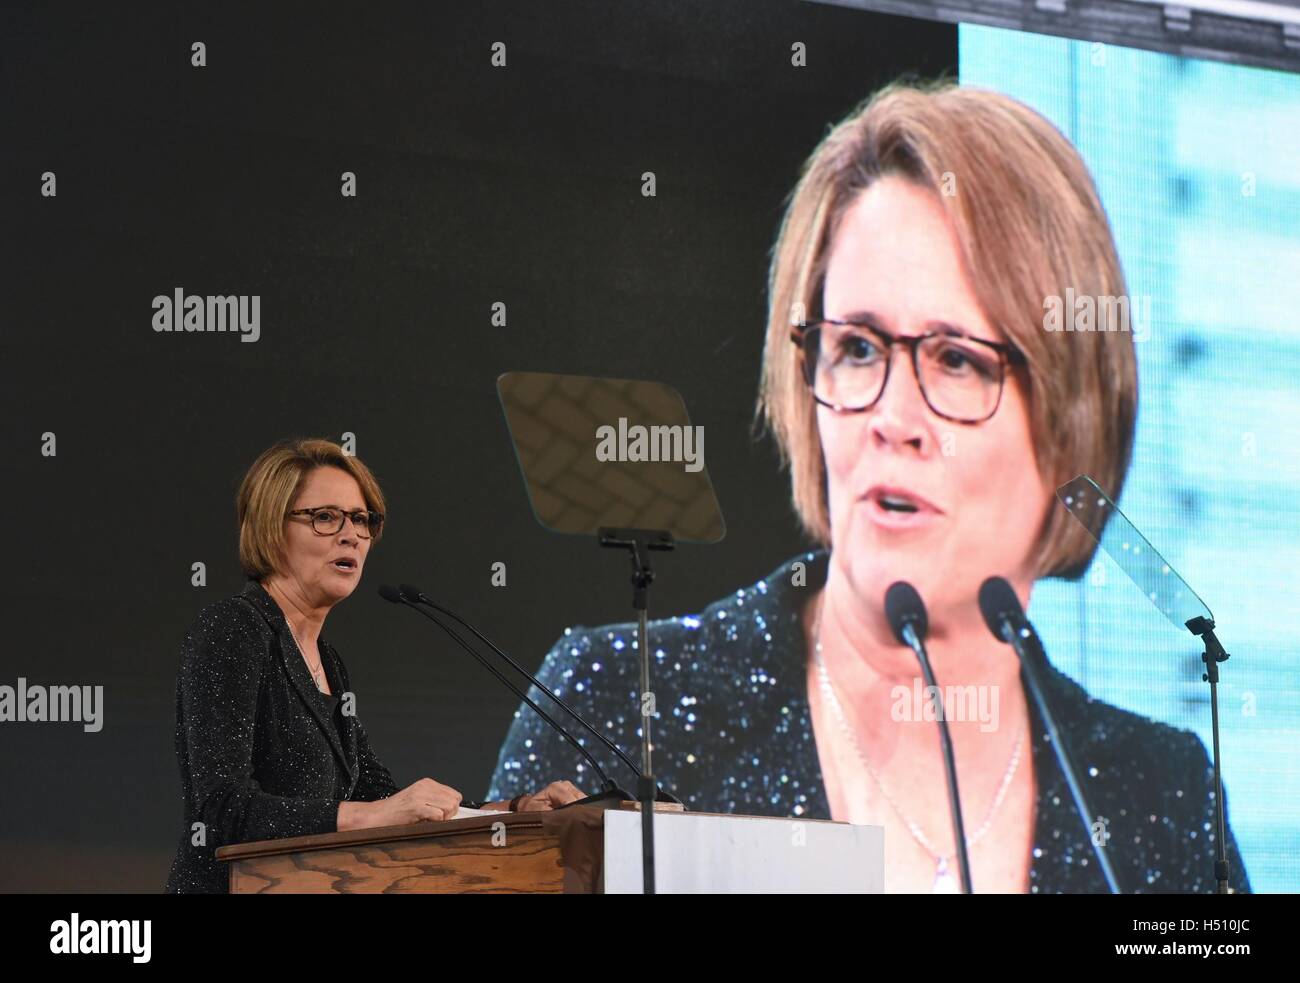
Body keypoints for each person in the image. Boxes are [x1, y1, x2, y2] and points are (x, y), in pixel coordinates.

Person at [488, 82, 1251, 893]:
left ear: (1072, 410)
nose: (892, 416)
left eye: (957, 359)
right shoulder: (618, 705)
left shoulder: (1158, 796)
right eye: (856, 348)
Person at [166, 438, 582, 893]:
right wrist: (369, 816)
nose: (351, 535)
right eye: (325, 517)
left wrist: (514, 810)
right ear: (271, 527)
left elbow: (380, 795)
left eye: (361, 519)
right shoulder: (233, 628)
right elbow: (225, 809)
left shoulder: (327, 663)